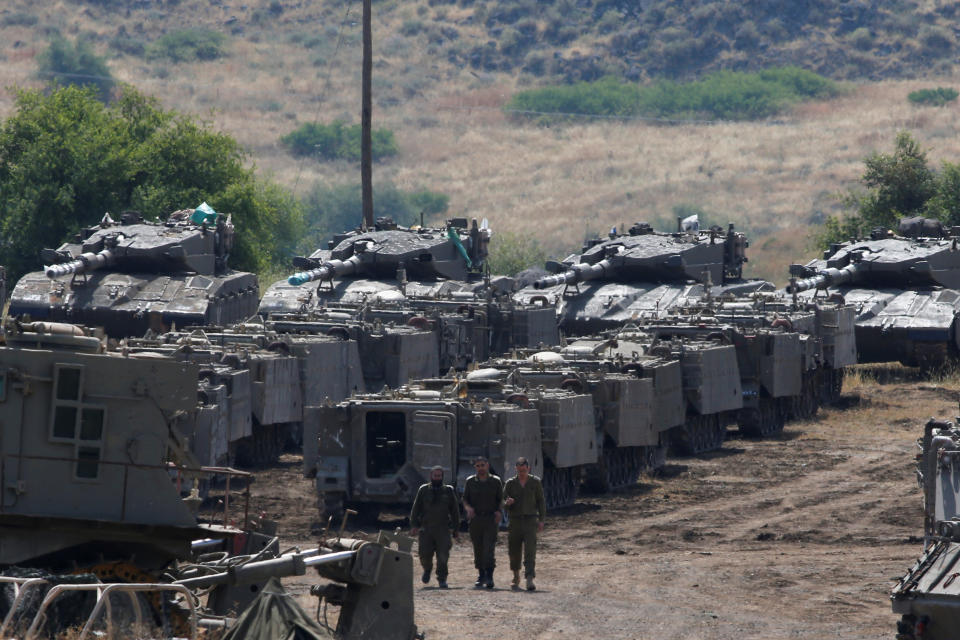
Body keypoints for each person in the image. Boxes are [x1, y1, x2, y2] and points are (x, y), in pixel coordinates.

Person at [409, 466, 460, 589]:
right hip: (426, 529)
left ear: (442, 477)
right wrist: (414, 525)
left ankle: (442, 579)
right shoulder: (424, 490)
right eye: (435, 476)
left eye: (439, 476)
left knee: (443, 556)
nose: (437, 478)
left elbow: (455, 511)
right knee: (424, 554)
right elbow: (415, 509)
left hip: (443, 529)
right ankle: (427, 569)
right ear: (431, 476)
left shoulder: (448, 491)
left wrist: (456, 528)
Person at [503, 456, 545, 591]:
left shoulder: (535, 482)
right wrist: (507, 503)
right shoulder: (510, 483)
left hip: (530, 520)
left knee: (530, 551)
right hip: (515, 521)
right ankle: (516, 576)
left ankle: (529, 579)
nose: (521, 473)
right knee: (514, 550)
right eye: (519, 470)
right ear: (516, 469)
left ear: (528, 468)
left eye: (524, 470)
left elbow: (541, 502)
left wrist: (542, 520)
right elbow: (502, 502)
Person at [462, 456, 502, 589]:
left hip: (490, 519)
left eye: (482, 465)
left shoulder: (495, 481)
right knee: (478, 548)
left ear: (488, 465)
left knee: (489, 549)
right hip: (476, 520)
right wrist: (468, 508)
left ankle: (489, 576)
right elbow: (465, 499)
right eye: (478, 466)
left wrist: (499, 511)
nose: (480, 468)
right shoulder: (470, 481)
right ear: (475, 467)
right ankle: (481, 574)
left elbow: (500, 499)